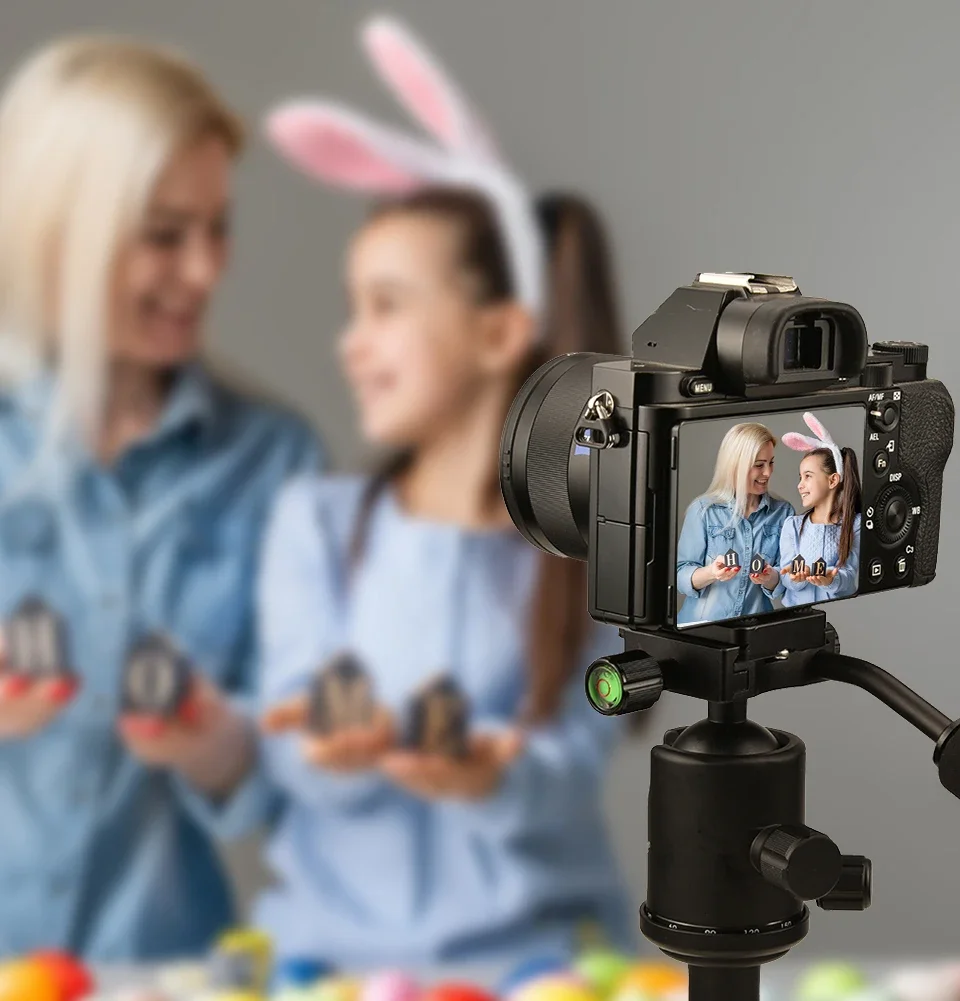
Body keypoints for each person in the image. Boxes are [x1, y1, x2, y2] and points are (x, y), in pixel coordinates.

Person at [254, 14, 633, 968]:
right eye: (353, 309)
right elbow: (283, 741)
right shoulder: (318, 523)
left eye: (385, 306)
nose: (351, 341)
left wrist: (485, 780)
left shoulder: (596, 550)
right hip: (328, 956)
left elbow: (577, 756)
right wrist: (326, 752)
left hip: (538, 959)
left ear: (501, 333)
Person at [0, 36, 323, 960]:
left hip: (162, 971)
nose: (204, 271)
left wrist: (215, 741)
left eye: (217, 227)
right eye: (163, 234)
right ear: (56, 231)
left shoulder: (270, 457)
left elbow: (304, 773)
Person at [676, 423, 794, 626]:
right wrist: (712, 572)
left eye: (771, 462)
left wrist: (770, 577)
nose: (767, 472)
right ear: (736, 465)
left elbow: (787, 580)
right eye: (759, 464)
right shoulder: (703, 510)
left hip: (756, 632)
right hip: (702, 630)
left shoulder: (783, 513)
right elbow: (680, 575)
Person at [778, 413, 862, 606]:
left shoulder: (855, 524)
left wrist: (831, 579)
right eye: (800, 477)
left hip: (838, 613)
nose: (800, 485)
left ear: (833, 480)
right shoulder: (792, 525)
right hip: (798, 617)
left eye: (808, 476)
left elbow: (849, 574)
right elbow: (785, 575)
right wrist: (794, 578)